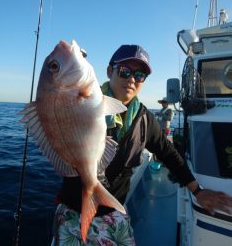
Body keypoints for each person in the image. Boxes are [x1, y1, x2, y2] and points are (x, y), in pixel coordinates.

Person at [51, 44, 232, 245]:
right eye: (124, 71)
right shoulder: (81, 103)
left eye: (139, 75)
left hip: (113, 211)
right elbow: (57, 106)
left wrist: (198, 191)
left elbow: (169, 154)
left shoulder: (144, 119)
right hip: (73, 211)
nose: (131, 80)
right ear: (109, 71)